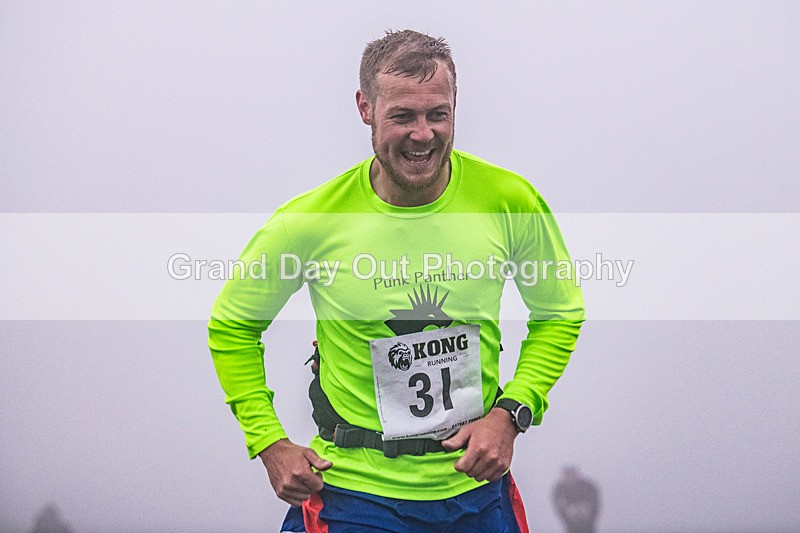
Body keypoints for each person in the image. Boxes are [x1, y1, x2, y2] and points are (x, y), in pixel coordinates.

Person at [208, 29, 585, 532]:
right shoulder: (310, 221)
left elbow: (559, 312)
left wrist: (511, 412)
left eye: (437, 114)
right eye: (402, 116)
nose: (423, 134)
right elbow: (232, 325)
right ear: (366, 108)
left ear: (455, 105)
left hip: (476, 496)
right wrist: (268, 442)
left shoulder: (508, 200)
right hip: (354, 498)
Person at [552, 466, 601, 533]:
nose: (570, 478)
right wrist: (567, 516)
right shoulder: (560, 489)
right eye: (568, 475)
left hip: (588, 520)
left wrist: (590, 515)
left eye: (572, 475)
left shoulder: (588, 486)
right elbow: (559, 504)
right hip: (570, 521)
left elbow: (595, 502)